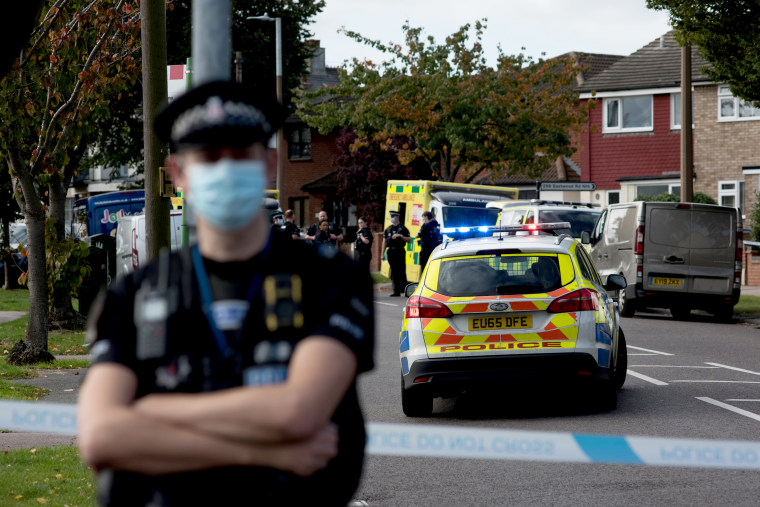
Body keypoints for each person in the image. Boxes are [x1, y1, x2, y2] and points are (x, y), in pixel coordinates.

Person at [77, 81, 374, 506]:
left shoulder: (330, 278)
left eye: (239, 156)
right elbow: (102, 436)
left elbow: (296, 412)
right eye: (209, 157)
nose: (224, 170)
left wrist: (148, 412)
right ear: (178, 172)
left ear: (269, 165)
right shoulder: (137, 292)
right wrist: (258, 449)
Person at [383, 210, 410, 297]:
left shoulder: (402, 228)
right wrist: (382, 254)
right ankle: (396, 291)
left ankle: (405, 290)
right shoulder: (388, 229)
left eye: (393, 216)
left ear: (397, 217)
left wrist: (401, 236)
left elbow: (409, 239)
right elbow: (384, 242)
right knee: (394, 271)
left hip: (400, 251)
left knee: (401, 270)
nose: (392, 218)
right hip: (391, 251)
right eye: (391, 216)